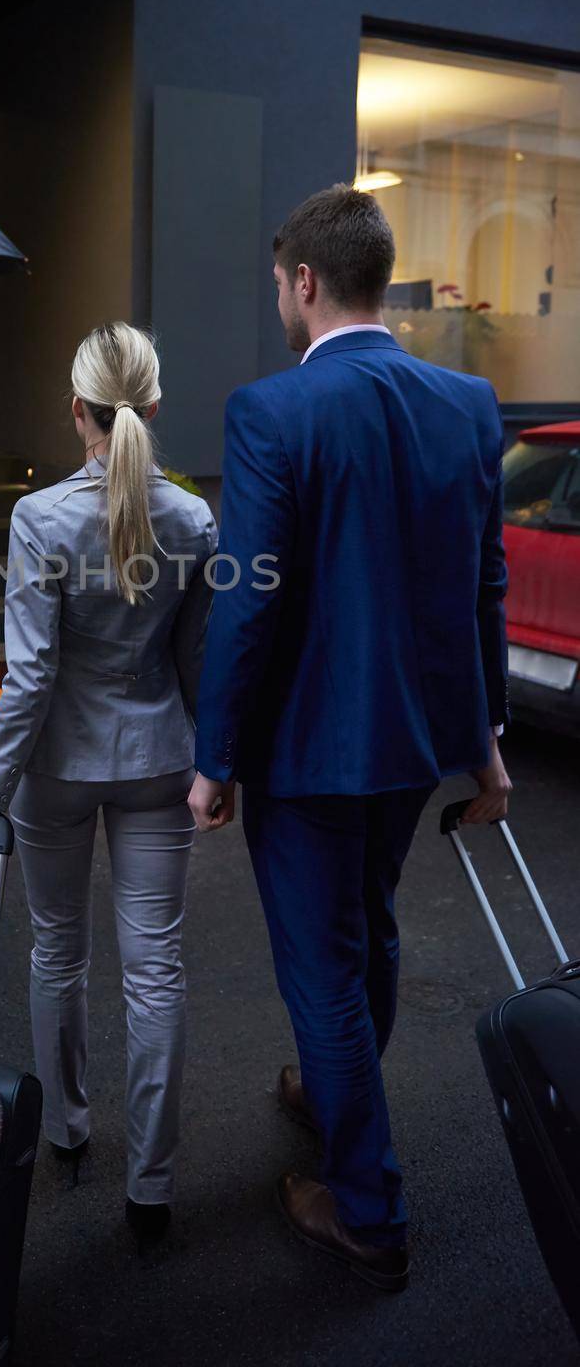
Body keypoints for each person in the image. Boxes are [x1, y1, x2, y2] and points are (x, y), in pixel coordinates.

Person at [189, 185, 511, 1292]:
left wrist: (213, 754)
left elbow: (248, 600)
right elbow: (483, 588)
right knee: (367, 933)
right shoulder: (469, 403)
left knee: (323, 971)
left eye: (280, 280)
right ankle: (336, 1091)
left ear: (307, 280)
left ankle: (366, 1205)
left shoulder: (271, 411)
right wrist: (486, 745)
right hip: (413, 748)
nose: (278, 295)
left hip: (308, 751)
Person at [0, 322, 218, 1249]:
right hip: (158, 759)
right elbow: (196, 661)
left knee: (57, 953)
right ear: (153, 406)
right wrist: (216, 766)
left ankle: (67, 1132)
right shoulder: (192, 519)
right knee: (157, 976)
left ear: (78, 411)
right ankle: (151, 1186)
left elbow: (30, 675)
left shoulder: (41, 519)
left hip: (57, 771)